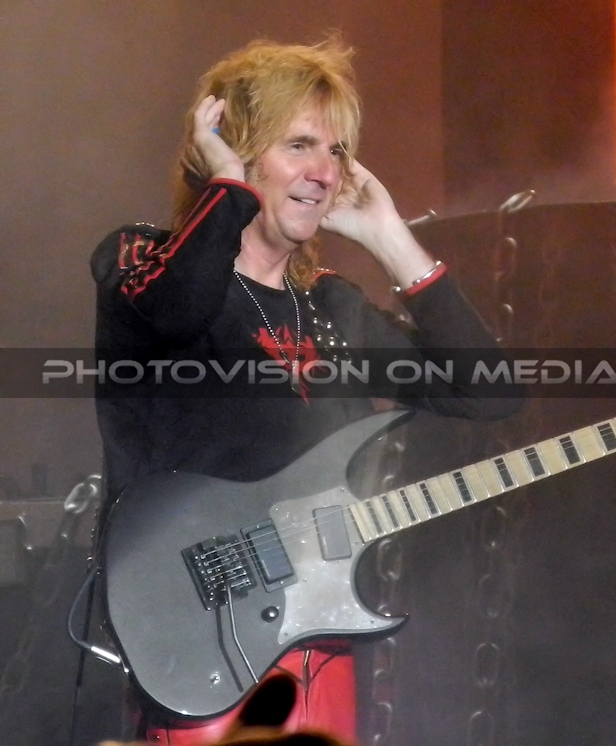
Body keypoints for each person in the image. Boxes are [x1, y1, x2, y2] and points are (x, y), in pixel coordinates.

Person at [90, 35, 519, 745]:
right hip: (197, 642)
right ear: (233, 149)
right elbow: (178, 309)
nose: (325, 172)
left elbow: (490, 394)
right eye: (299, 145)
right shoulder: (142, 260)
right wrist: (226, 186)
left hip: (314, 639)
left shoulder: (331, 307)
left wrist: (390, 240)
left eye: (337, 151)